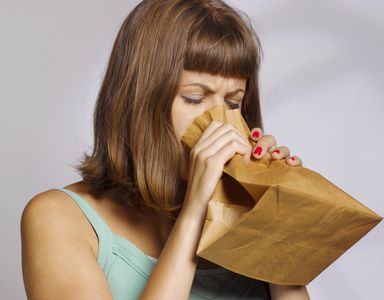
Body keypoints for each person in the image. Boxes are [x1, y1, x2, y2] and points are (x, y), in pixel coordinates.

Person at [20, 0, 311, 299]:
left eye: (233, 103)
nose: (221, 123)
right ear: (140, 101)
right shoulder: (58, 218)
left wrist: (278, 225)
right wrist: (193, 214)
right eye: (195, 98)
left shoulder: (244, 221)